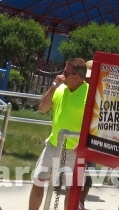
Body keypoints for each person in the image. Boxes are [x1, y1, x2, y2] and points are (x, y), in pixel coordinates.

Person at [29, 58, 89, 210]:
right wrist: (54, 86)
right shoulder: (60, 88)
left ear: (76, 77)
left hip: (74, 150)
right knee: (38, 181)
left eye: (65, 73)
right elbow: (42, 108)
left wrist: (84, 140)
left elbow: (96, 122)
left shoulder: (90, 93)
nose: (62, 76)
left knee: (71, 190)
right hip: (53, 145)